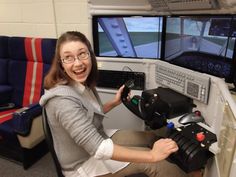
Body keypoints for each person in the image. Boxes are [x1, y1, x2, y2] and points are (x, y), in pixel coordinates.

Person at [39, 31, 201, 177]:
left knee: (150, 137)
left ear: (90, 55)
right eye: (68, 57)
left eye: (82, 54)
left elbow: (87, 115)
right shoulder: (62, 101)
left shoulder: (81, 84)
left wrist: (114, 102)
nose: (78, 63)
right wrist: (152, 156)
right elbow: (99, 148)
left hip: (97, 138)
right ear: (61, 64)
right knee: (157, 163)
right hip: (82, 163)